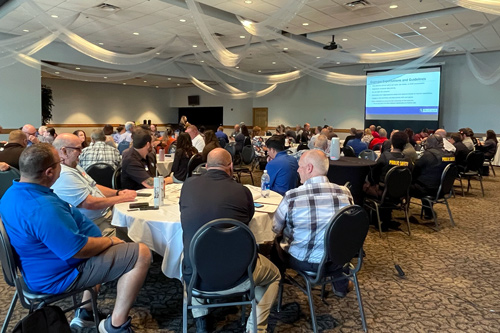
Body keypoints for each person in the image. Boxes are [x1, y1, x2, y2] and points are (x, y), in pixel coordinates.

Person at [0, 143, 151, 332]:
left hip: (42, 267)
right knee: (142, 253)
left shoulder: (11, 194)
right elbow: (78, 250)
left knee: (105, 247)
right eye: (59, 162)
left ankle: (86, 313)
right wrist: (109, 241)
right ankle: (116, 325)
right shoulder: (41, 207)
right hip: (56, 276)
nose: (62, 163)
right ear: (49, 172)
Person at [179, 148, 280, 333]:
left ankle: (201, 317)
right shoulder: (242, 191)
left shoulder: (188, 185)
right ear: (231, 167)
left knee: (184, 255)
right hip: (240, 276)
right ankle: (256, 327)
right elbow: (247, 220)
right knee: (275, 275)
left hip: (197, 279)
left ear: (206, 166)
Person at [272, 149, 353, 296]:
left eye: (300, 166)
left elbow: (275, 228)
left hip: (304, 260)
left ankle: (276, 293)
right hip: (338, 258)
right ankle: (340, 283)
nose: (297, 170)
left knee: (274, 245)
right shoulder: (345, 192)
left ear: (309, 168)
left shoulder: (292, 196)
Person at [51, 133, 136, 229]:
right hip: (96, 224)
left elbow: (94, 186)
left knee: (138, 225)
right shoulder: (64, 174)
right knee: (138, 232)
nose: (81, 151)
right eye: (78, 149)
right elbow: (89, 203)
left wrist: (118, 193)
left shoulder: (74, 166)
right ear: (64, 151)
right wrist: (122, 198)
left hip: (106, 216)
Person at [411, 134, 455, 219]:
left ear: (430, 143)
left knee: (404, 184)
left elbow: (415, 170)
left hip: (428, 190)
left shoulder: (428, 155)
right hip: (444, 189)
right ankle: (428, 212)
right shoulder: (450, 155)